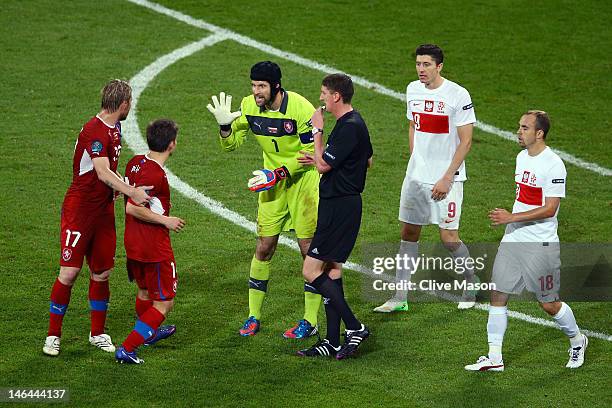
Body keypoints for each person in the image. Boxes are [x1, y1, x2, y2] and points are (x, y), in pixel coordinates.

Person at [206, 61, 322, 338]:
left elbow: (311, 153)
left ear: (276, 86)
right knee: (264, 247)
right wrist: (225, 128)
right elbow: (232, 145)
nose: (256, 92)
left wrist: (278, 173)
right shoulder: (249, 106)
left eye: (262, 86)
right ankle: (253, 316)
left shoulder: (301, 109)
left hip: (302, 185)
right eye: (254, 86)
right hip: (272, 186)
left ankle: (310, 320)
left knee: (309, 252)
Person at [465, 110, 588, 371]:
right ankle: (495, 358)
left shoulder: (553, 164)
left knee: (548, 304)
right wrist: (513, 223)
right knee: (498, 294)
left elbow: (550, 208)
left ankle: (577, 341)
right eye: (519, 127)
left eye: (524, 128)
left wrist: (511, 217)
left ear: (539, 133)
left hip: (540, 245)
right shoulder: (522, 158)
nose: (518, 132)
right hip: (513, 240)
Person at [43, 79, 152, 357]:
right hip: (80, 210)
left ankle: (98, 333)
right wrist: (130, 191)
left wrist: (118, 186)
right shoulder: (95, 130)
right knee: (69, 272)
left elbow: (105, 173)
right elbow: (101, 171)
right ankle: (53, 336)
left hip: (103, 209)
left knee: (102, 272)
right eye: (131, 103)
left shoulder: (115, 127)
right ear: (124, 104)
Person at [374, 44, 478, 313]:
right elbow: (413, 126)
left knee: (449, 237)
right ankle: (400, 297)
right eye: (418, 64)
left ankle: (471, 282)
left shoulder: (457, 94)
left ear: (439, 66)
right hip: (416, 176)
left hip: (447, 178)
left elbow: (466, 142)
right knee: (409, 233)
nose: (421, 69)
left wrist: (447, 177)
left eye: (427, 65)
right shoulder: (413, 89)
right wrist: (415, 158)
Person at [297, 73, 373, 359]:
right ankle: (332, 341)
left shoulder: (348, 127)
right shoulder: (354, 123)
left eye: (324, 93)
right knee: (332, 269)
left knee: (310, 270)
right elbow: (367, 159)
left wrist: (318, 133)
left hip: (340, 206)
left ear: (336, 96)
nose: (321, 99)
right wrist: (322, 157)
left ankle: (354, 327)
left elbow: (323, 168)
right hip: (341, 203)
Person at [115, 119, 185, 364]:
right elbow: (133, 209)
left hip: (133, 242)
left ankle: (150, 332)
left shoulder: (135, 162)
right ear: (172, 145)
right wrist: (166, 221)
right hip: (153, 247)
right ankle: (128, 347)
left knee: (145, 290)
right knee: (164, 302)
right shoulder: (155, 173)